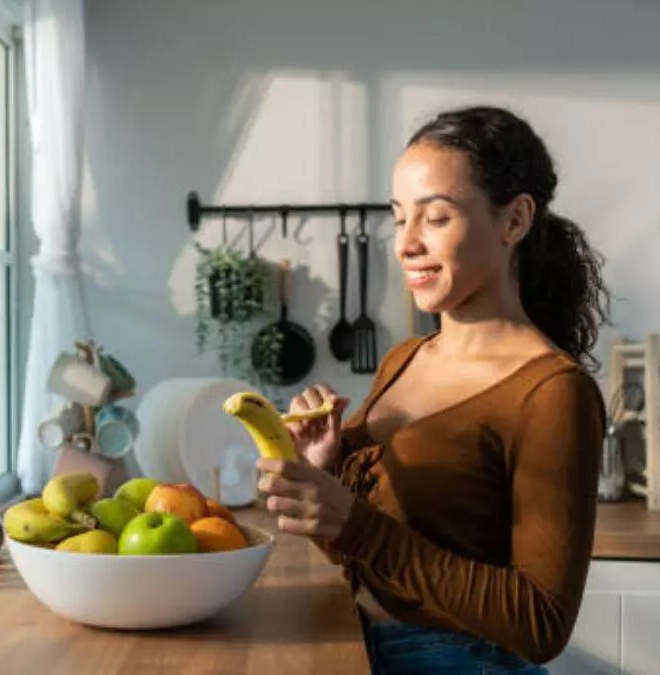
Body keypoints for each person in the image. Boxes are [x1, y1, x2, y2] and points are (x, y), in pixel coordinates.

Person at [256, 105, 610, 674]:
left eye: (436, 218)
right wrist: (323, 480)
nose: (406, 244)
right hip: (360, 648)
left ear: (514, 220)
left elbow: (542, 624)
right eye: (400, 219)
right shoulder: (405, 358)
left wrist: (354, 522)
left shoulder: (552, 393)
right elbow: (373, 561)